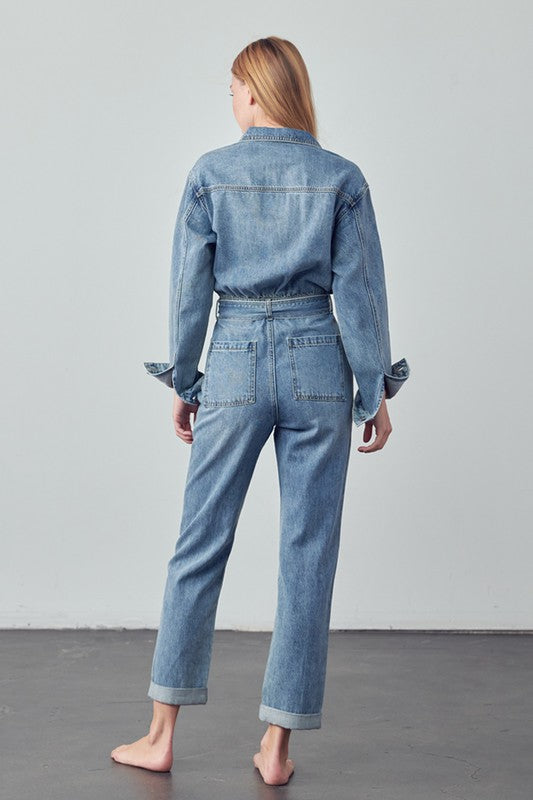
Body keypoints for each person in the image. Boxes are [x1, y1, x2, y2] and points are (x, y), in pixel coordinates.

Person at [111, 35, 410, 786]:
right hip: (317, 359)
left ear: (253, 92)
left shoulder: (210, 173)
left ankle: (160, 736)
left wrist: (186, 380)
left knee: (199, 542)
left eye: (233, 89)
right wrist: (373, 390)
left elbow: (190, 290)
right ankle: (275, 749)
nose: (231, 100)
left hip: (237, 354)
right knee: (308, 552)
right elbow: (361, 294)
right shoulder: (341, 178)